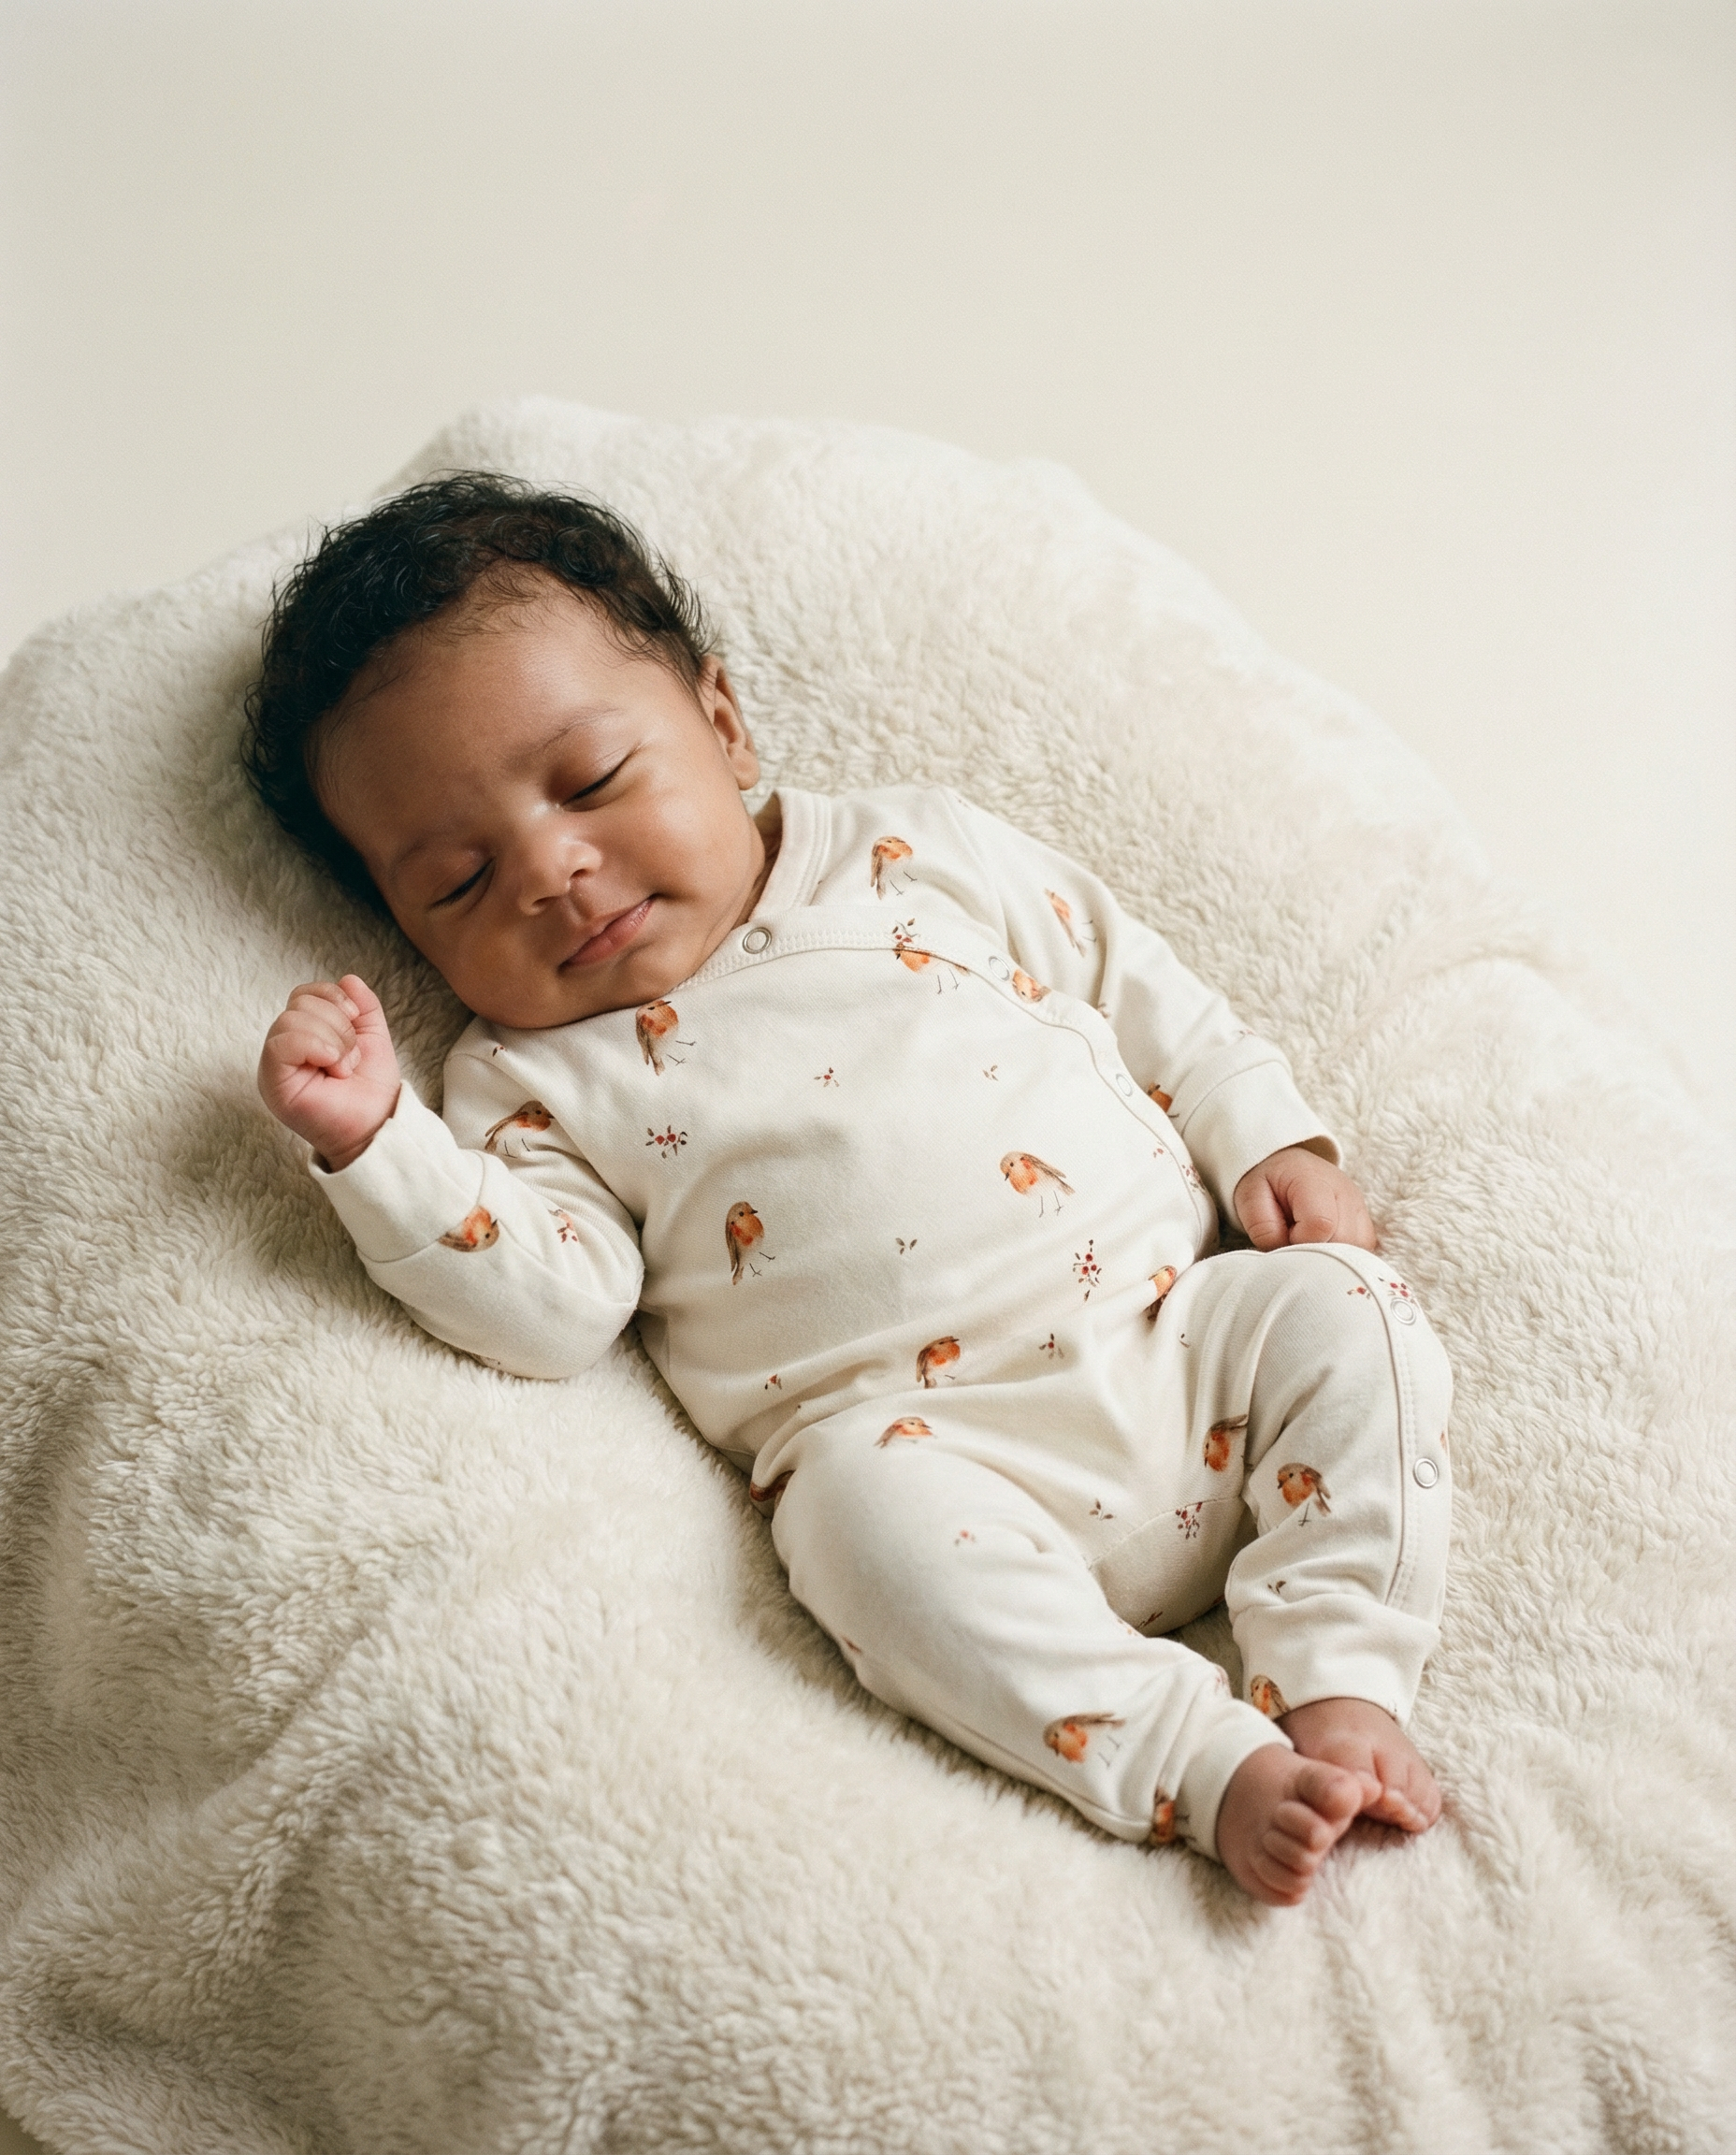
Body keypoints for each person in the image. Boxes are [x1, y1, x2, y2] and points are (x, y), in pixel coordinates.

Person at [246, 474, 1453, 1905]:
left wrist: (1269, 1142)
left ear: (723, 723)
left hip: (1179, 1342)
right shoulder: (529, 1081)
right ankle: (1198, 1762)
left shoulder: (912, 851)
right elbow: (555, 1308)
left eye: (592, 781)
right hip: (935, 1462)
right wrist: (380, 1146)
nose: (553, 871)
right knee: (847, 1528)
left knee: (1346, 1304)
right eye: (457, 881)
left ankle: (1340, 1683)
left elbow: (1131, 980)